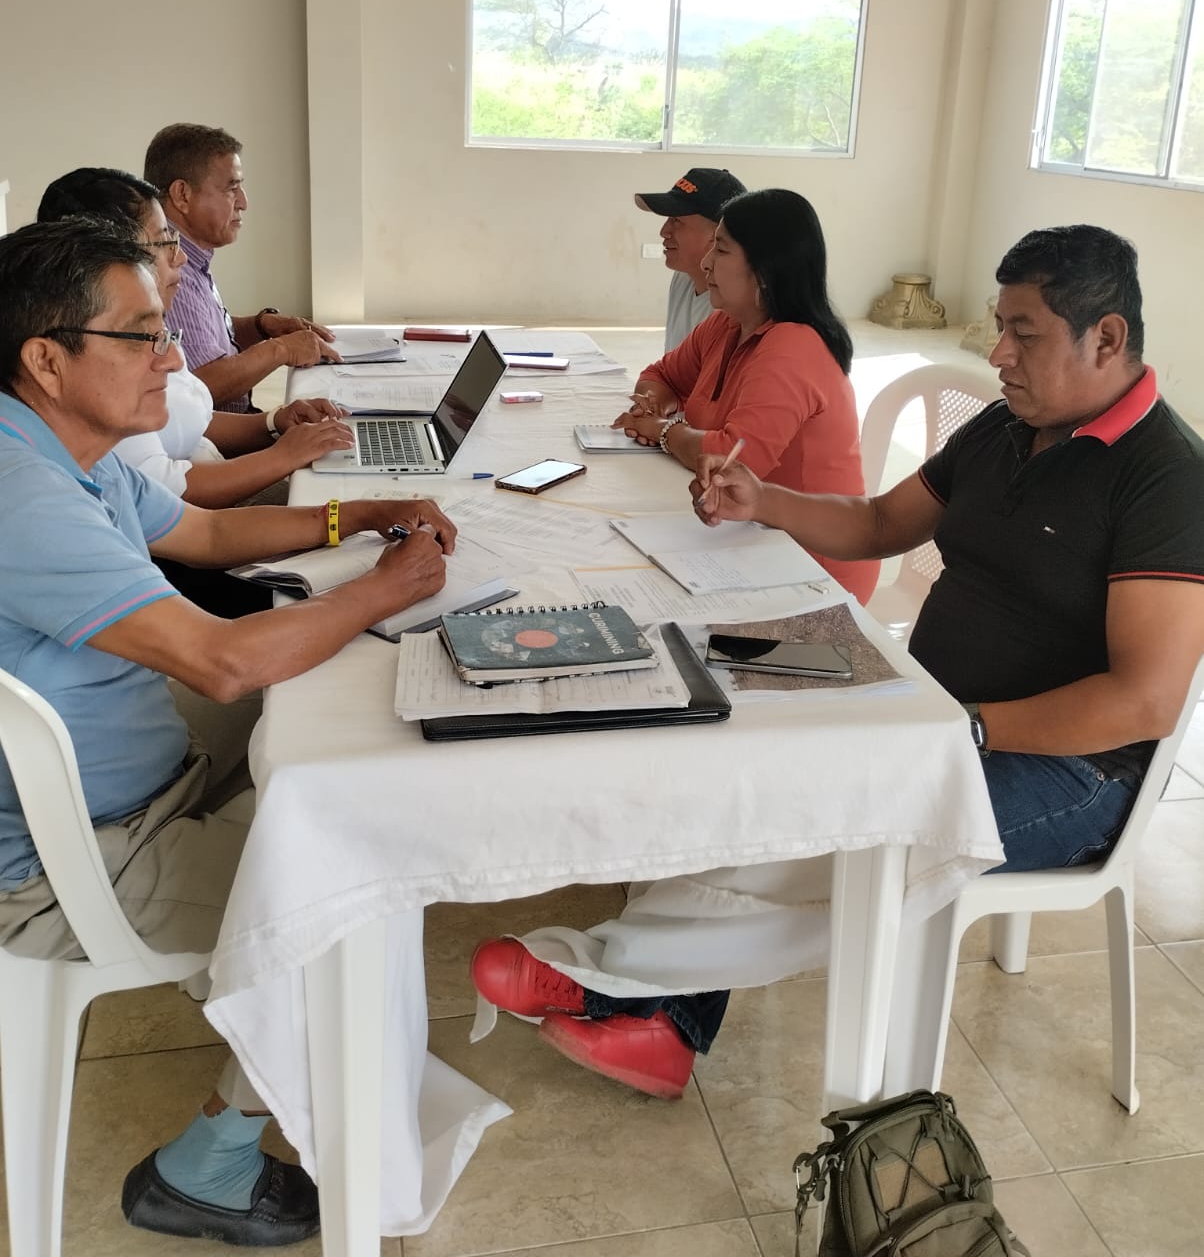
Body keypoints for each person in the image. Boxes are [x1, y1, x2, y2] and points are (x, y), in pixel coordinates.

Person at [472, 225, 1204, 1101]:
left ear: (1107, 338)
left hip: (1066, 769)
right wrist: (763, 500)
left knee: (843, 828)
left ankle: (607, 978)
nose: (998, 353)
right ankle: (666, 1024)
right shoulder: (1011, 426)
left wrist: (965, 729)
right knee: (744, 739)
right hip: (929, 709)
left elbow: (1145, 700)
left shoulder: (1167, 479)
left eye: (1024, 333)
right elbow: (880, 523)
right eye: (998, 326)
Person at [0, 218, 455, 1246]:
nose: (172, 361)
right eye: (141, 336)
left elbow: (200, 530)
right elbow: (222, 661)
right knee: (369, 879)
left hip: (132, 769)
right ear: (46, 359)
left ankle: (301, 1050)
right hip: (73, 860)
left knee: (348, 723)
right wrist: (382, 588)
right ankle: (209, 1163)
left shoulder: (60, 446)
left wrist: (356, 517)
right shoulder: (20, 495)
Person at [614, 187, 877, 604]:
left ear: (766, 270)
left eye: (720, 250)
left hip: (808, 563)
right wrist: (651, 403)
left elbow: (733, 462)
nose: (705, 262)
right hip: (744, 532)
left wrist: (662, 431)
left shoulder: (793, 345)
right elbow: (661, 374)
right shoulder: (728, 323)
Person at [37, 168, 355, 505]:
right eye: (165, 242)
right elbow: (175, 502)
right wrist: (283, 457)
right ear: (110, 257)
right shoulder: (96, 360)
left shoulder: (144, 323)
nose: (181, 256)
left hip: (214, 491)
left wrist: (275, 423)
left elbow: (191, 418)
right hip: (205, 512)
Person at [144, 123, 340, 412]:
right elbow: (200, 387)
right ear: (182, 194)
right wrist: (280, 350)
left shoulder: (192, 257)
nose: (243, 202)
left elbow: (201, 338)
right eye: (231, 188)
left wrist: (259, 326)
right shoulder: (171, 271)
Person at [635, 167, 745, 350]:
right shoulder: (683, 277)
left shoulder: (735, 310)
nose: (664, 231)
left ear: (718, 233)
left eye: (677, 220)